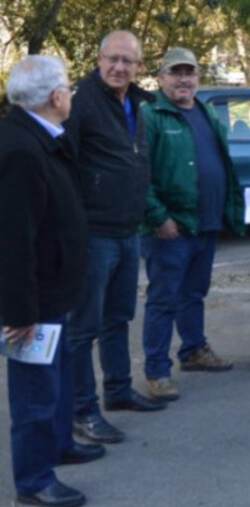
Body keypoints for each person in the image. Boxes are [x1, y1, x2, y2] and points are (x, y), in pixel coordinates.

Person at [1, 56, 103, 507]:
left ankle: (60, 444)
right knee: (35, 392)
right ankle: (35, 478)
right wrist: (18, 312)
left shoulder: (43, 137)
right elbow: (12, 239)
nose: (71, 94)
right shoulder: (21, 148)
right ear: (54, 96)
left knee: (57, 379)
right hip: (35, 300)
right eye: (67, 87)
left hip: (56, 290)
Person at [64, 30, 165, 447]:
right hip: (93, 233)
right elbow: (64, 166)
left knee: (118, 317)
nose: (119, 67)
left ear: (139, 66)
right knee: (81, 329)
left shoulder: (137, 103)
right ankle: (82, 412)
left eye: (128, 61)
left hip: (128, 231)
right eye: (112, 59)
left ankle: (118, 390)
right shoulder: (80, 102)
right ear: (99, 58)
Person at [139, 48, 245, 402]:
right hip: (171, 227)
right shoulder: (151, 115)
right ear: (161, 78)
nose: (184, 79)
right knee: (163, 300)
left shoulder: (205, 111)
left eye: (190, 72)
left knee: (194, 294)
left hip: (207, 224)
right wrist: (159, 217)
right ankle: (156, 370)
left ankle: (194, 350)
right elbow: (140, 176)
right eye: (175, 72)